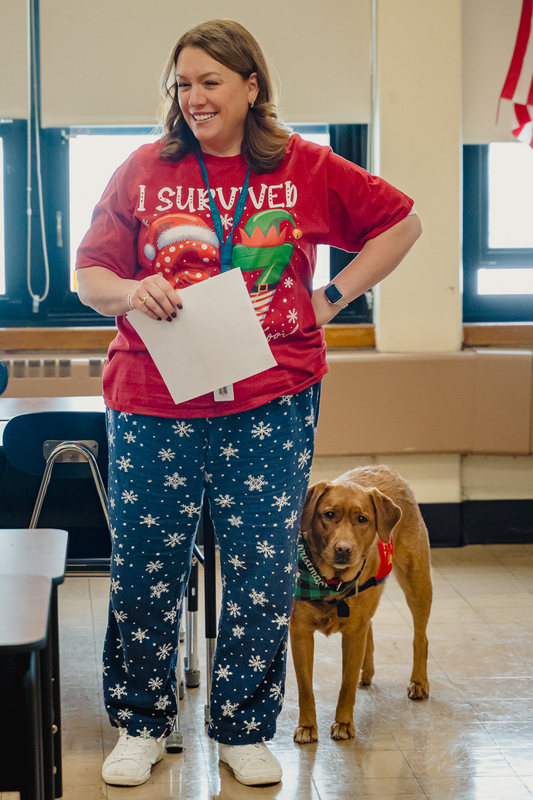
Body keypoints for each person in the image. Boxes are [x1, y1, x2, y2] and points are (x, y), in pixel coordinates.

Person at [76, 18, 422, 789]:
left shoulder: (301, 166)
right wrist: (133, 288)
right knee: (144, 570)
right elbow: (90, 277)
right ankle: (142, 722)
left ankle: (242, 727)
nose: (193, 98)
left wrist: (331, 295)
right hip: (152, 399)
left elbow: (402, 221)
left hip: (270, 399)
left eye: (209, 82)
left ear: (250, 86)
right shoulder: (142, 169)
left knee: (263, 570)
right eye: (182, 84)